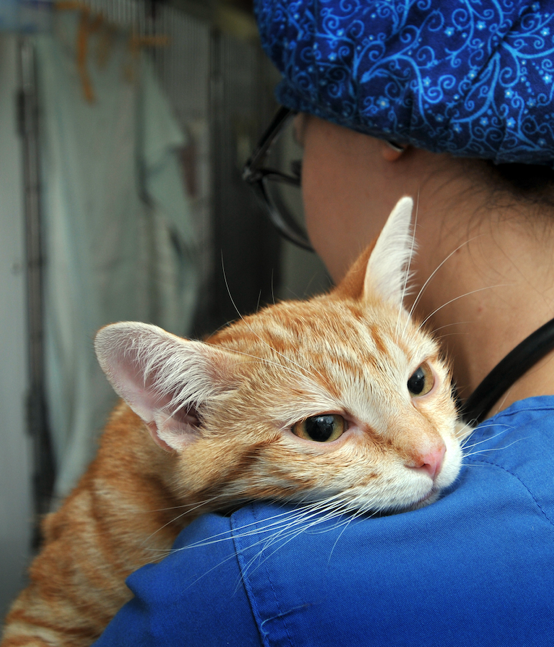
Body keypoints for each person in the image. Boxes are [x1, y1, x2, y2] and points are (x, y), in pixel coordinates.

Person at [93, 1, 554, 644]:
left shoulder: (245, 586)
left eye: (297, 130)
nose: (429, 452)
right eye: (322, 424)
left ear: (390, 127)